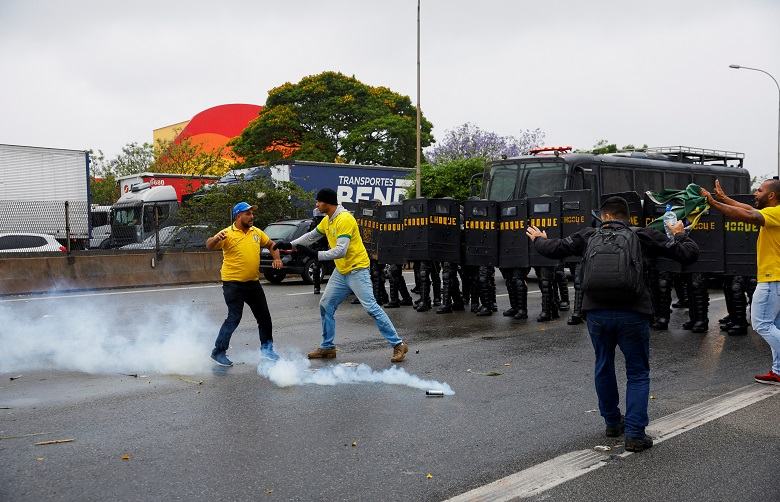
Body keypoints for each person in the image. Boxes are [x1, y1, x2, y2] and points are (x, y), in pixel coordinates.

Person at [526, 196, 699, 452]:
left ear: (604, 216)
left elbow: (554, 249)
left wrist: (539, 238)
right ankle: (635, 435)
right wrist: (680, 234)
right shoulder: (643, 235)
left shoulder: (588, 235)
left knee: (603, 364)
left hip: (597, 312)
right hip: (634, 311)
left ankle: (611, 422)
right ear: (627, 217)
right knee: (637, 372)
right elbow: (689, 255)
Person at [274, 188, 409, 363]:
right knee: (326, 304)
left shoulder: (344, 219)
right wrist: (289, 244)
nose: (316, 205)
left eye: (319, 202)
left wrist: (316, 255)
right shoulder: (328, 219)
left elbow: (341, 250)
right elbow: (312, 236)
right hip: (342, 271)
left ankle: (398, 345)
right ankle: (328, 347)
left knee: (371, 308)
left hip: (357, 269)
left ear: (328, 203)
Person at [701, 179, 780, 385]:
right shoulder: (773, 212)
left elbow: (747, 215)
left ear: (771, 196)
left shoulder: (777, 212)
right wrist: (724, 199)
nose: (755, 193)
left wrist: (714, 204)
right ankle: (778, 371)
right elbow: (747, 208)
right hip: (775, 280)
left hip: (772, 280)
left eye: (760, 190)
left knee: (762, 324)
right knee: (775, 327)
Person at [206, 201, 283, 367]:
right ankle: (218, 352)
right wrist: (215, 239)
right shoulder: (227, 233)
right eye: (248, 213)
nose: (252, 216)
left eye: (252, 213)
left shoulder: (256, 232)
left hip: (253, 284)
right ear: (238, 215)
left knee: (264, 317)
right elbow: (209, 245)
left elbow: (271, 245)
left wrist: (277, 258)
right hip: (233, 284)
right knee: (234, 317)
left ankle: (267, 351)